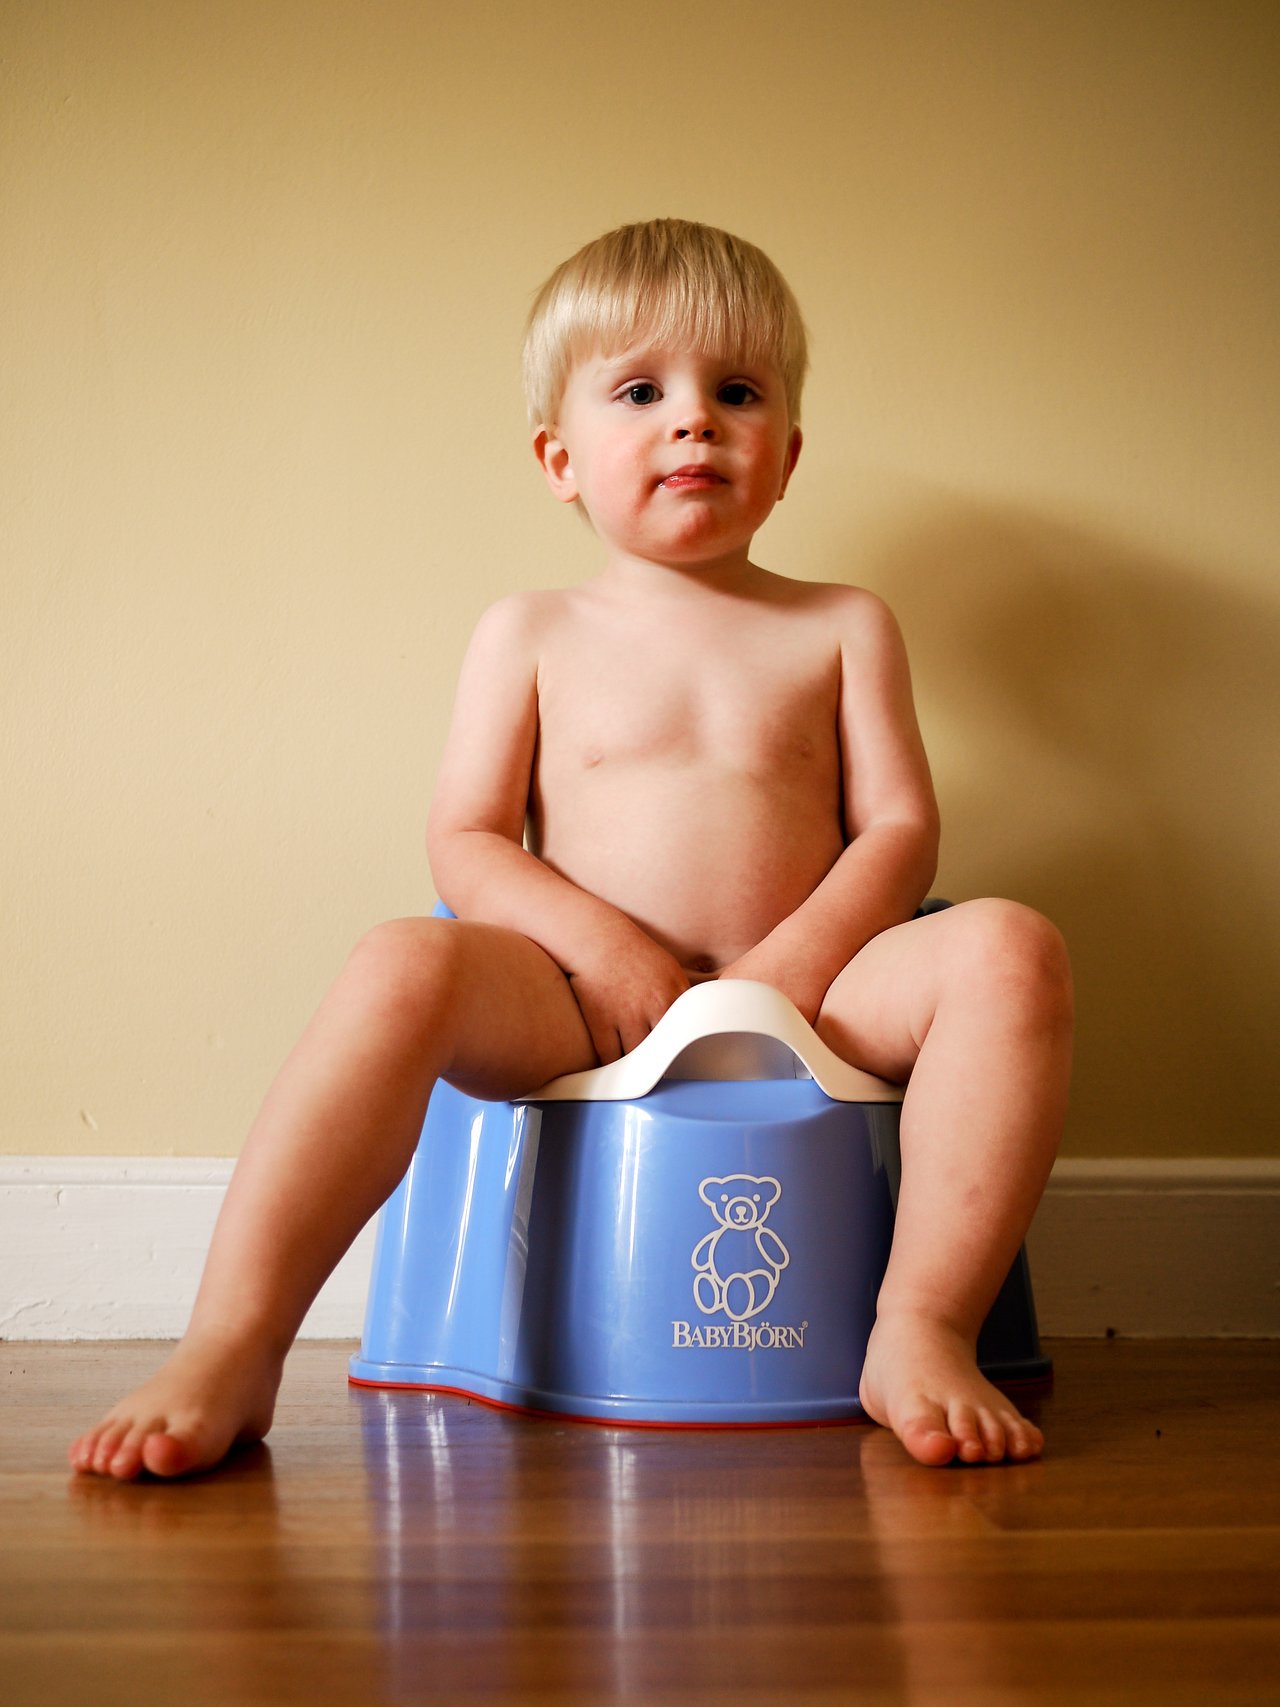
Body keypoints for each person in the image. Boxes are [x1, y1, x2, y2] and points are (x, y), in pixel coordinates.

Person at [70, 219, 1072, 1480]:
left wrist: (795, 962)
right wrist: (600, 953)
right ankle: (232, 1341)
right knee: (397, 964)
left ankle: (918, 1325)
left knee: (1007, 950)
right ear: (560, 458)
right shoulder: (529, 631)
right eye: (642, 392)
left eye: (737, 393)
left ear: (787, 458)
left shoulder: (841, 625)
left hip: (819, 993)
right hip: (587, 1003)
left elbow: (898, 828)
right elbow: (468, 836)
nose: (693, 422)